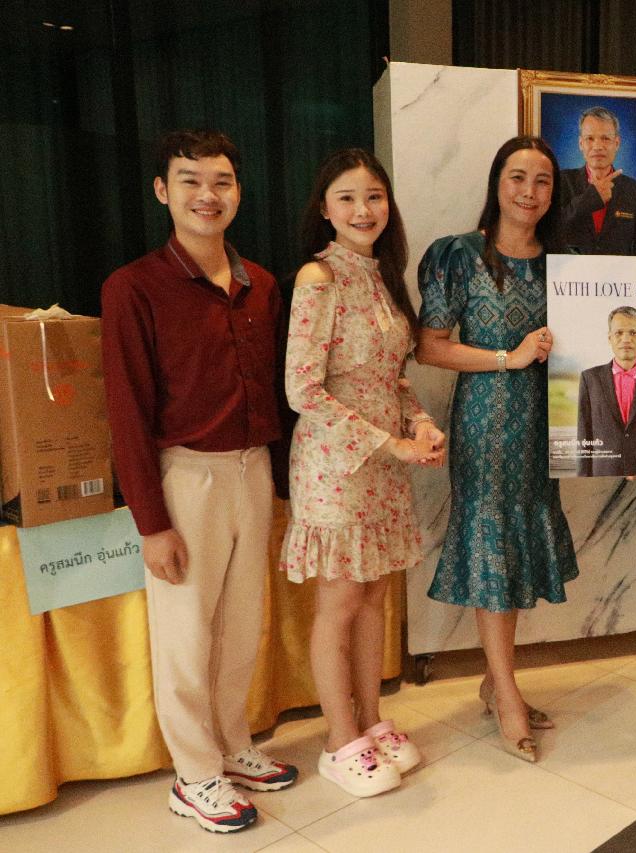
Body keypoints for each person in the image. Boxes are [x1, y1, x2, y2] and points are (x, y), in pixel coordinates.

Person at [101, 129, 297, 833]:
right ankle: (194, 776)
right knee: (186, 634)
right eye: (190, 180)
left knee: (240, 625)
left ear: (238, 192)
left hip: (253, 468)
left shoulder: (261, 285)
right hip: (185, 475)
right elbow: (126, 410)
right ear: (163, 190)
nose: (207, 195)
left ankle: (232, 742)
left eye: (221, 181)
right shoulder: (133, 287)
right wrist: (151, 523)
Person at [281, 149, 446, 796]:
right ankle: (339, 738)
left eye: (373, 196)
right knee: (342, 600)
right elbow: (303, 389)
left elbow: (391, 378)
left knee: (376, 595)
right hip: (335, 466)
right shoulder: (318, 276)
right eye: (347, 197)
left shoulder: (381, 277)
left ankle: (373, 719)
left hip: (386, 465)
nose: (362, 209)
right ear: (324, 208)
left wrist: (421, 425)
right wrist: (388, 443)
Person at [416, 136, 578, 763]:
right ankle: (506, 693)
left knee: (518, 546)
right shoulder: (458, 255)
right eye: (517, 177)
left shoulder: (565, 264)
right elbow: (431, 346)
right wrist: (510, 357)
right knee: (492, 543)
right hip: (486, 420)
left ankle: (495, 680)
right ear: (496, 182)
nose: (529, 192)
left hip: (545, 422)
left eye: (542, 181)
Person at [576, 305, 636, 476]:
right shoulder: (589, 378)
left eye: (633, 333)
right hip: (602, 474)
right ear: (609, 338)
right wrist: (582, 480)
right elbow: (583, 435)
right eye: (619, 333)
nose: (626, 339)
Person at [561, 106, 636, 256]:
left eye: (605, 138)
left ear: (616, 143)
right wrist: (591, 198)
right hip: (570, 270)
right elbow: (552, 229)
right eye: (590, 138)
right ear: (580, 144)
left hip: (619, 271)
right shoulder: (563, 181)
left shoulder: (634, 190)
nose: (598, 146)